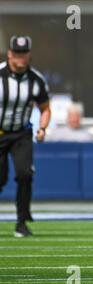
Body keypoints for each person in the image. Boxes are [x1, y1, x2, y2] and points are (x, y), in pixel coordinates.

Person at [0, 35, 51, 237]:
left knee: (25, 174)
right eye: (17, 53)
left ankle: (22, 221)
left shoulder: (36, 80)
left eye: (25, 53)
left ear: (29, 54)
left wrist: (42, 128)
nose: (21, 57)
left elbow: (45, 108)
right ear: (10, 54)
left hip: (21, 133)